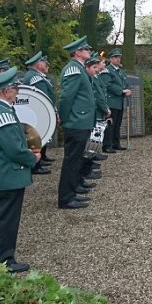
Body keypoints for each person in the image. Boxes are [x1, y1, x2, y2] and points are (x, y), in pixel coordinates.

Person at [0, 67, 41, 273]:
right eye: (15, 89)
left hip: (0, 174)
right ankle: (4, 260)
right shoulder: (2, 113)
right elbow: (14, 149)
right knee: (6, 219)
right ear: (6, 91)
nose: (16, 93)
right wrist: (32, 158)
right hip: (7, 174)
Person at [57, 36, 95, 210]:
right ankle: (66, 198)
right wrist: (65, 117)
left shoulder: (79, 68)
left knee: (77, 158)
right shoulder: (73, 69)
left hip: (81, 121)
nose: (89, 51)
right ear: (78, 52)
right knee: (71, 161)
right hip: (76, 121)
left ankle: (73, 191)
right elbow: (66, 98)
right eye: (86, 49)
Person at [100, 48, 132, 151]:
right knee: (110, 124)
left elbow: (125, 83)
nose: (118, 59)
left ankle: (115, 143)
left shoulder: (120, 71)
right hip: (111, 101)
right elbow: (108, 84)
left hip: (119, 101)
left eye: (119, 57)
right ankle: (107, 145)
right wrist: (122, 91)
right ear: (110, 59)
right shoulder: (107, 70)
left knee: (117, 124)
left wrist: (127, 90)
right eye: (115, 57)